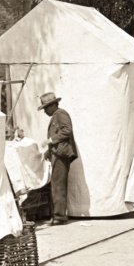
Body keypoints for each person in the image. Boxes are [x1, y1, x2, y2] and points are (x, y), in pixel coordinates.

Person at [39, 92, 78, 225]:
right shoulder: (56, 115)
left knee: (58, 185)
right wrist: (49, 152)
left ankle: (59, 216)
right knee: (56, 184)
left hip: (61, 154)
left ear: (53, 105)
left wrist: (51, 140)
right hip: (57, 153)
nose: (44, 111)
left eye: (46, 108)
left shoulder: (60, 114)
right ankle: (58, 215)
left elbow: (67, 130)